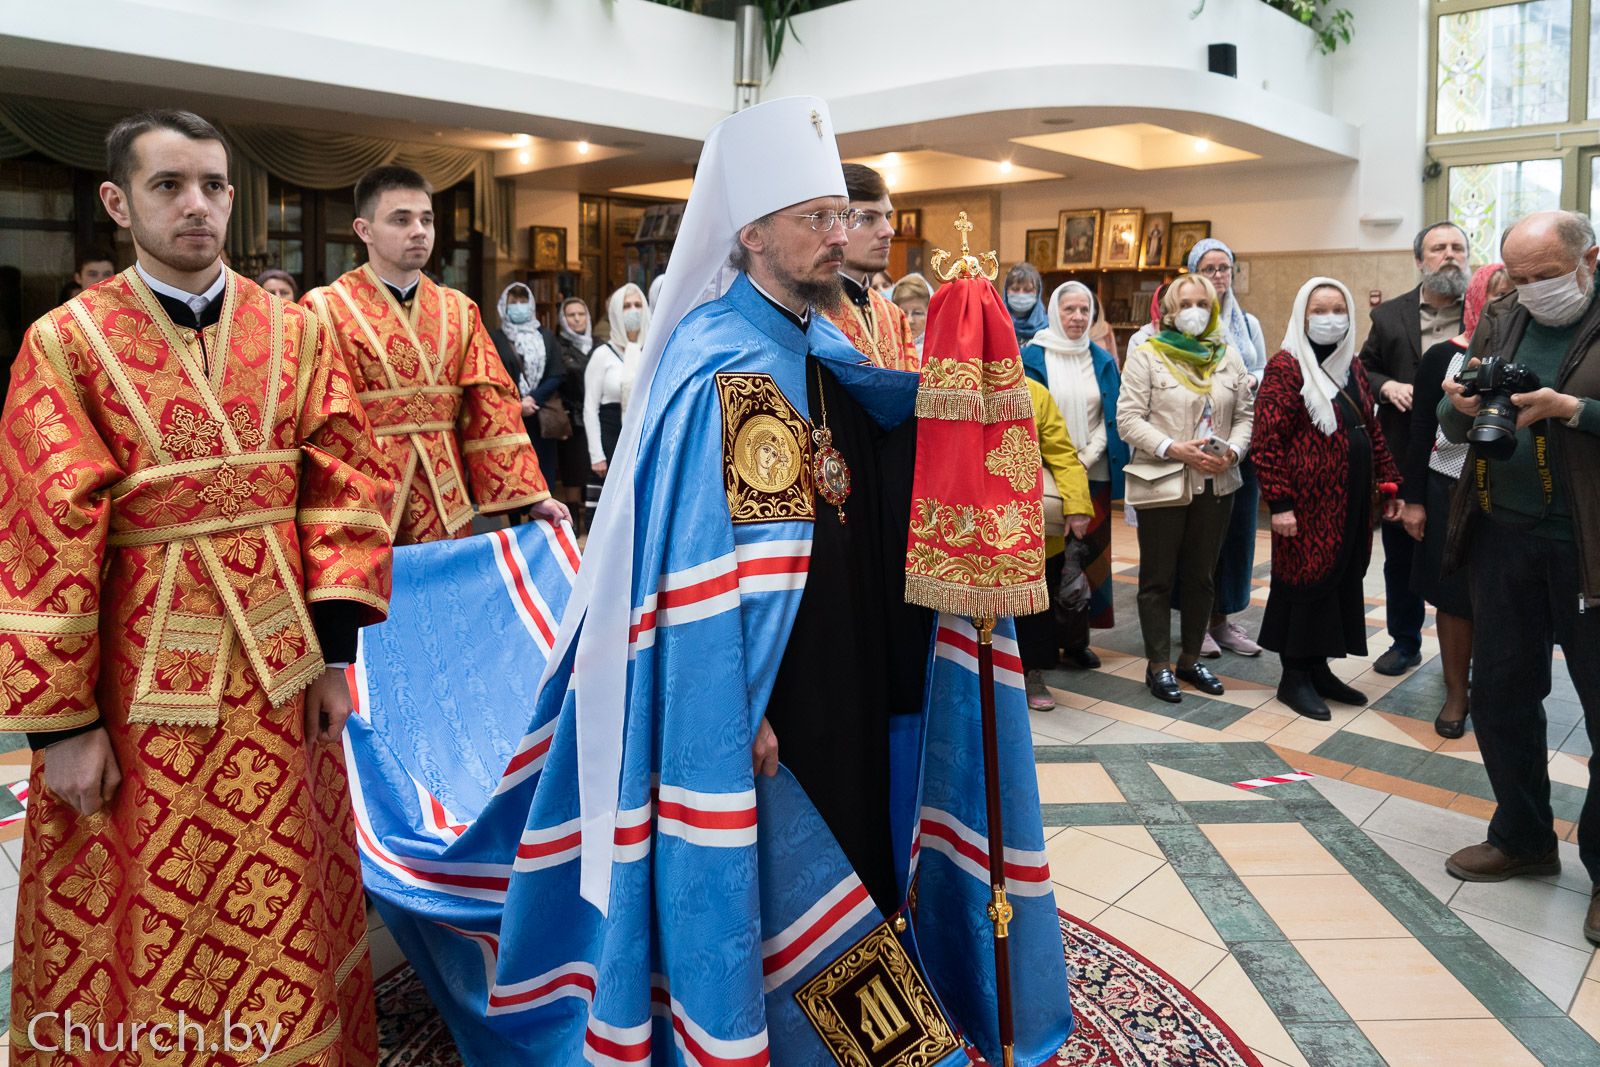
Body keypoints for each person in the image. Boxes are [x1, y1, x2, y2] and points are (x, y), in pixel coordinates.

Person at [345, 95, 1071, 1066]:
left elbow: (887, 448)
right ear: (754, 232)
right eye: (815, 219)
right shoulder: (717, 361)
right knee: (776, 887)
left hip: (846, 663)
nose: (837, 237)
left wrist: (968, 389)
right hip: (769, 701)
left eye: (839, 216)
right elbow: (686, 578)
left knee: (856, 850)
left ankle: (851, 1024)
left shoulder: (820, 344)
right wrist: (734, 709)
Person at [1, 109, 394, 1065]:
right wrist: (60, 727)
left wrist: (339, 657)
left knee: (283, 883)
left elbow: (345, 483)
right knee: (156, 889)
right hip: (135, 696)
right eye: (169, 185)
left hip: (282, 678)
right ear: (117, 201)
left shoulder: (294, 333)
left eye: (213, 186)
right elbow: (41, 533)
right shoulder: (67, 345)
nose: (196, 206)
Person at [1435, 212, 1600, 940]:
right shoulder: (1504, 315)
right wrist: (1456, 401)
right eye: (1519, 277)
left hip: (1589, 547)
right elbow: (1451, 418)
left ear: (1588, 258)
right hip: (1503, 536)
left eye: (1546, 275)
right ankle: (1525, 835)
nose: (1533, 291)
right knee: (1499, 693)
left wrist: (1572, 409)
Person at [304, 165, 567, 544]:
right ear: (364, 231)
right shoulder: (325, 308)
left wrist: (528, 494)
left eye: (426, 219)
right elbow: (319, 422)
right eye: (401, 219)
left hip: (447, 497)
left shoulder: (460, 310)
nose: (419, 231)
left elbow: (488, 408)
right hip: (366, 503)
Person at [1253, 278, 1402, 720]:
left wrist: (1390, 483)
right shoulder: (1286, 366)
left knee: (1338, 582)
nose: (1330, 317)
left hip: (1350, 504)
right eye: (1319, 310)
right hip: (1305, 508)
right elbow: (1266, 441)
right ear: (1302, 315)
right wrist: (1279, 504)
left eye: (1339, 309)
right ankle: (1294, 676)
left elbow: (1370, 430)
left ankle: (1319, 669)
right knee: (1305, 586)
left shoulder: (1351, 365)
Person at [1118, 274, 1253, 703]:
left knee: (1202, 576)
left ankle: (1190, 658)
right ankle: (1158, 664)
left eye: (1202, 302)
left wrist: (1232, 451)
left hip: (1216, 483)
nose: (1194, 310)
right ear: (1171, 311)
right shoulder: (1147, 355)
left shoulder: (1228, 356)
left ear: (1212, 308)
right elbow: (1128, 418)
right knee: (1157, 579)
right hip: (1164, 481)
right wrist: (1173, 447)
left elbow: (1246, 416)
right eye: (1185, 303)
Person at [1402, 263, 1511, 737]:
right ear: (1477, 299)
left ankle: (1498, 693)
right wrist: (1414, 501)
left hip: (1512, 496)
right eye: (1497, 295)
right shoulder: (1443, 357)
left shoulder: (1537, 357)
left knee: (1506, 598)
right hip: (1448, 488)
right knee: (1453, 597)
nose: (1505, 306)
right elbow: (1420, 429)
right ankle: (1454, 695)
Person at [1360, 221, 1470, 676]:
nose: (1450, 255)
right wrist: (1388, 388)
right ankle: (1404, 642)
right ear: (1420, 260)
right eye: (1438, 248)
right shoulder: (1389, 315)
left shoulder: (1489, 312)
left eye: (1458, 247)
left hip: (1466, 457)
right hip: (1404, 449)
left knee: (1464, 553)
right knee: (1402, 553)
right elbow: (1364, 368)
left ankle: (1469, 646)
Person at [1022, 281, 1130, 670]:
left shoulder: (1100, 358)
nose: (1078, 317)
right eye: (1069, 309)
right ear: (1054, 311)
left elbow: (1111, 414)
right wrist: (1065, 459)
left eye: (1085, 310)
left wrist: (1087, 455)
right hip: (1047, 471)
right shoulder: (1031, 355)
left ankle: (1077, 639)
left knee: (1088, 559)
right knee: (1050, 559)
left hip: (1093, 468)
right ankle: (1045, 638)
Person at [1185, 239, 1268, 658]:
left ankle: (1222, 621)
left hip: (1240, 441)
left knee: (1237, 537)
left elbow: (1261, 365)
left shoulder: (1247, 323)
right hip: (1198, 443)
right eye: (1210, 268)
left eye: (1225, 268)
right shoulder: (1185, 321)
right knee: (1200, 538)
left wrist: (1252, 379)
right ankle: (1194, 622)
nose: (1219, 276)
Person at [1017, 377, 1094, 708]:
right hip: (974, 522)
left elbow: (1062, 452)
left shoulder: (1034, 391)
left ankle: (1032, 673)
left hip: (1031, 524)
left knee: (1036, 605)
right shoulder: (953, 385)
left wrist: (1077, 505)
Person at [817, 163, 919, 370]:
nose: (888, 231)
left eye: (888, 217)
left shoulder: (893, 315)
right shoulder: (811, 313)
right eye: (868, 218)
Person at [489, 281, 565, 495]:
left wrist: (533, 400)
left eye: (524, 301)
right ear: (504, 305)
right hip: (510, 417)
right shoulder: (495, 338)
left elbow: (557, 373)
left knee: (543, 473)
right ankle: (516, 524)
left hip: (540, 416)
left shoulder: (547, 336)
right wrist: (518, 403)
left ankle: (546, 525)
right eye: (514, 302)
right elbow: (493, 375)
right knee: (513, 475)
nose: (520, 306)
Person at [583, 282, 648, 524]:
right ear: (615, 313)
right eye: (626, 306)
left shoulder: (651, 351)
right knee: (608, 518)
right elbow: (589, 408)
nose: (633, 311)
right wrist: (596, 454)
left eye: (638, 305)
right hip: (610, 438)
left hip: (642, 438)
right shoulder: (603, 354)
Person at [553, 295, 594, 515]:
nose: (577, 319)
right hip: (572, 417)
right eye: (571, 315)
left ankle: (590, 518)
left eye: (581, 314)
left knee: (594, 467)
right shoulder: (558, 347)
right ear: (563, 319)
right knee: (573, 470)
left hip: (597, 415)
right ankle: (572, 524)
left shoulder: (597, 345)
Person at [1004, 260, 1049, 348]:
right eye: (1015, 289)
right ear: (1006, 292)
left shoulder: (1049, 328)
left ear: (1037, 294)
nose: (1021, 294)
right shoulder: (995, 325)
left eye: (1028, 290)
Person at [890, 271, 931, 359]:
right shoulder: (886, 349)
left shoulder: (936, 353)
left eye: (917, 313)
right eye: (903, 313)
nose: (909, 320)